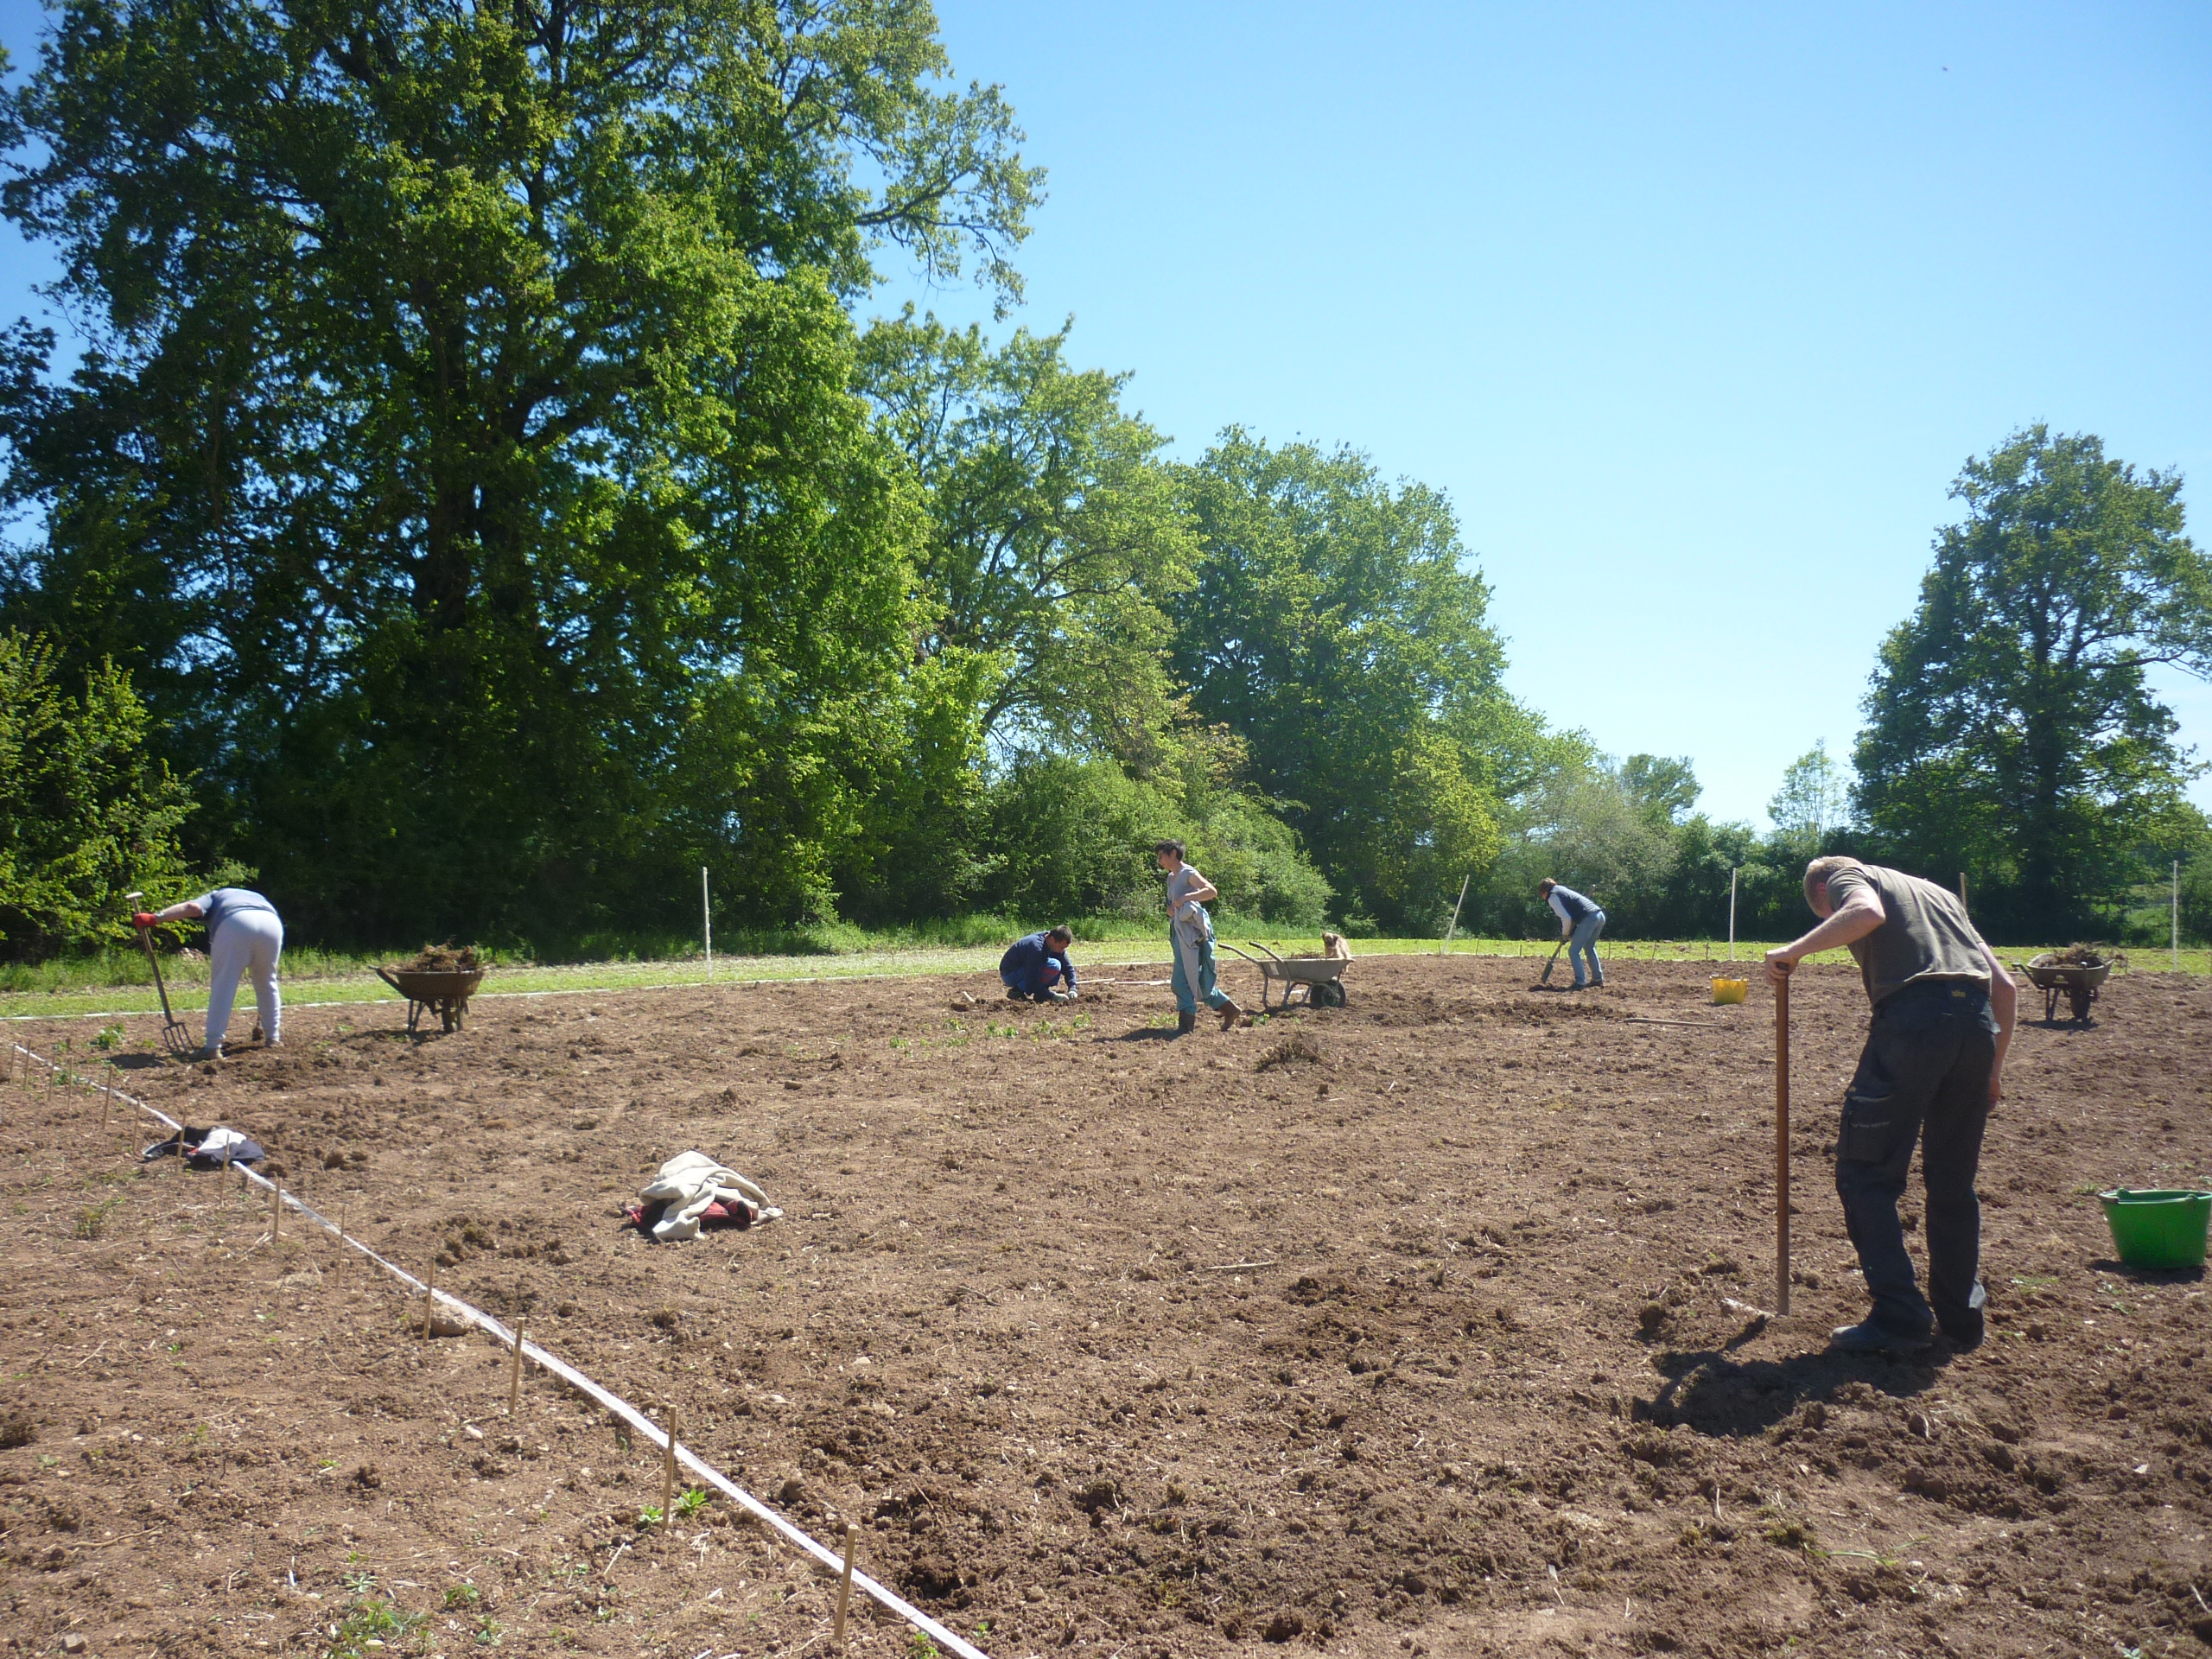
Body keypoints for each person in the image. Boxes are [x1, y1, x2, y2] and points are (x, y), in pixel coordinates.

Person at [1764, 855, 2017, 1357]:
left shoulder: (1843, 876)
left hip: (1914, 1024)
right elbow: (2005, 988)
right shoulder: (1942, 897)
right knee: (1952, 1183)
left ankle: (1900, 1317)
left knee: (1865, 1173)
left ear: (1820, 893)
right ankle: (1962, 1322)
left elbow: (1866, 914)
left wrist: (1795, 950)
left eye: (1823, 914)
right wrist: (1993, 1072)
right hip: (1977, 1027)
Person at [147, 887, 285, 1058]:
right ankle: (273, 1038)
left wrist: (155, 918)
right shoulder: (255, 895)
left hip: (236, 922)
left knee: (224, 984)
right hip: (272, 923)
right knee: (267, 982)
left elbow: (193, 908)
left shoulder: (214, 896)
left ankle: (212, 1046)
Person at [1155, 840, 1243, 1034]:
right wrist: (1172, 909)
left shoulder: (1188, 873)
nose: (1159, 860)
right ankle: (1230, 1010)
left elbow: (1211, 891)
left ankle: (1186, 1028)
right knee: (1199, 982)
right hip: (1180, 934)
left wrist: (1186, 899)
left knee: (1182, 981)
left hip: (1195, 935)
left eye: (1161, 855)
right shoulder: (1171, 877)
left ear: (1173, 854)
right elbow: (1174, 905)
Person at [1538, 878, 1605, 988]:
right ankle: (1597, 979)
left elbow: (1566, 918)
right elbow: (1572, 916)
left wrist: (1565, 935)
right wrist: (1568, 933)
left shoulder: (1553, 897)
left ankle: (1580, 981)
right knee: (1589, 947)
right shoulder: (1562, 890)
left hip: (1589, 918)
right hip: (1599, 915)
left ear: (1544, 892)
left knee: (1573, 951)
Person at [1000, 925, 1079, 1002]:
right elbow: (1032, 979)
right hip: (1010, 974)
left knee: (1056, 964)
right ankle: (1017, 991)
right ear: (1052, 939)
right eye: (1061, 947)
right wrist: (1052, 995)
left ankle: (1041, 993)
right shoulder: (1037, 948)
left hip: (1025, 969)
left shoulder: (1052, 942)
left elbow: (1068, 968)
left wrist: (1073, 988)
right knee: (1054, 965)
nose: (1063, 951)